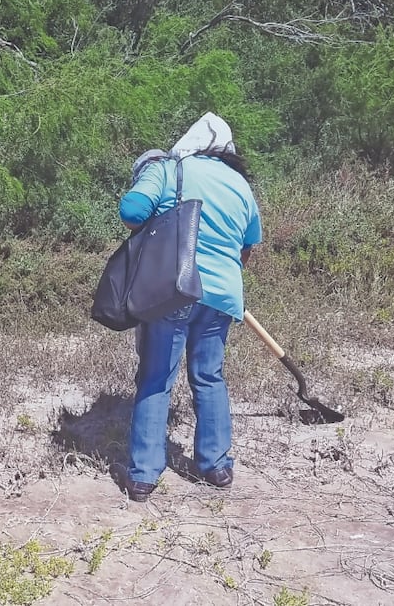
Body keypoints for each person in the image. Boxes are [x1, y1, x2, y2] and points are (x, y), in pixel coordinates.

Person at [117, 112, 262, 502]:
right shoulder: (241, 186)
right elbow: (248, 246)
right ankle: (216, 466)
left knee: (156, 379)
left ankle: (145, 475)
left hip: (174, 292)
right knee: (209, 377)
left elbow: (131, 212)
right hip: (223, 297)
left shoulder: (169, 169)